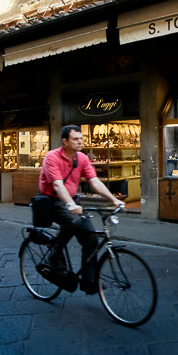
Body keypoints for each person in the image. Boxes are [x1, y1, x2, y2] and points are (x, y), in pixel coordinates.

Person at [38, 125, 124, 294]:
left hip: (72, 201)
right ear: (65, 141)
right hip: (52, 201)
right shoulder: (52, 157)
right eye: (75, 139)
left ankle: (89, 281)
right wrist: (70, 204)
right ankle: (54, 256)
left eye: (81, 138)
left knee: (91, 238)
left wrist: (113, 199)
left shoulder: (82, 158)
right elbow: (57, 184)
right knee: (74, 221)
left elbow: (94, 181)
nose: (80, 142)